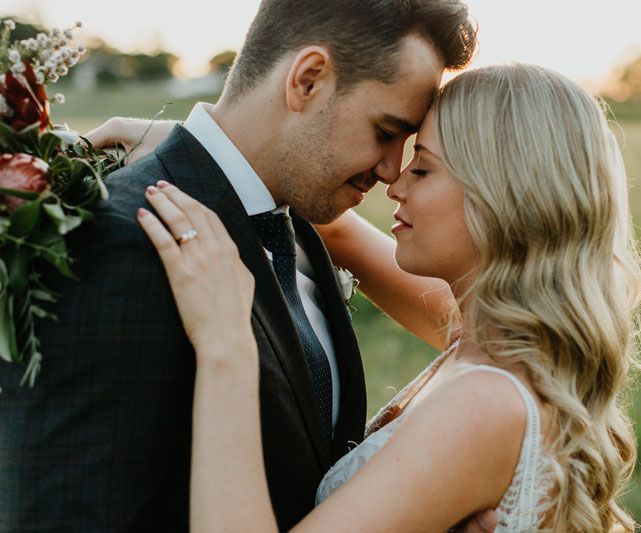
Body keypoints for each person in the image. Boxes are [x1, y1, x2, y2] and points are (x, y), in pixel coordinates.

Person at [0, 1, 496, 531]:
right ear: (307, 80)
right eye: (386, 130)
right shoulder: (125, 240)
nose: (391, 170)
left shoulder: (306, 236)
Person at [130, 64, 641, 531]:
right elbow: (336, 230)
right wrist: (186, 150)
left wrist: (226, 342)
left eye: (422, 167)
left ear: (505, 200)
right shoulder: (501, 336)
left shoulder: (487, 404)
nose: (394, 184)